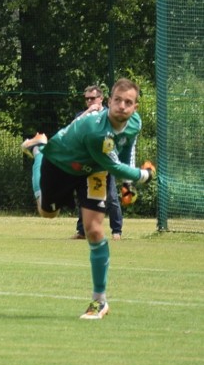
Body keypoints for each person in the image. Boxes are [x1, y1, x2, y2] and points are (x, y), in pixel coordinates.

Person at [21, 78, 155, 320]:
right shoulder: (97, 132)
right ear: (109, 102)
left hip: (93, 170)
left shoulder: (134, 122)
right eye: (118, 100)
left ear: (135, 107)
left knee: (93, 230)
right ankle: (38, 149)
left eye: (128, 102)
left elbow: (125, 148)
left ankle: (99, 301)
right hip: (61, 162)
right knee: (47, 212)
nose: (122, 106)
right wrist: (143, 175)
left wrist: (127, 184)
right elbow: (113, 164)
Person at [71, 85, 124, 241]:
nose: (89, 101)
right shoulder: (83, 115)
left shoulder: (110, 115)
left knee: (111, 197)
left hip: (105, 162)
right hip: (88, 163)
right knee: (84, 197)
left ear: (101, 98)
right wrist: (89, 111)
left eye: (92, 98)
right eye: (87, 98)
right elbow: (74, 126)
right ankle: (81, 231)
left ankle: (117, 231)